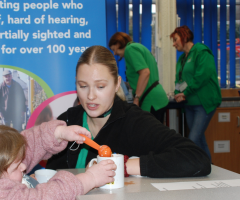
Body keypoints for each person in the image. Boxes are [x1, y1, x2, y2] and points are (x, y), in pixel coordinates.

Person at [46, 45, 211, 178]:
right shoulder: (66, 122)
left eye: (101, 86)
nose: (90, 96)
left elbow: (196, 158)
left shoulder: (134, 121)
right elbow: (51, 174)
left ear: (117, 84)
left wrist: (122, 166)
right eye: (83, 86)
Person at [0, 122, 116, 199]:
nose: (24, 165)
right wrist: (89, 179)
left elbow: (28, 146)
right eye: (17, 166)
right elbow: (46, 197)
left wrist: (60, 133)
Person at [170, 26, 222, 160]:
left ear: (184, 37)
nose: (174, 43)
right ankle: (208, 169)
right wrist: (177, 92)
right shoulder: (182, 59)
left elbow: (201, 76)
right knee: (199, 139)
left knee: (193, 139)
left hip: (203, 103)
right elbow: (179, 80)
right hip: (189, 104)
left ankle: (202, 168)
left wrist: (185, 92)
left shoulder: (201, 51)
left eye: (176, 40)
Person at [108, 32, 169, 123]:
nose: (115, 53)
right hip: (156, 97)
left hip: (151, 99)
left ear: (118, 43)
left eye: (114, 49)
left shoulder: (130, 49)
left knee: (150, 134)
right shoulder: (137, 47)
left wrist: (136, 98)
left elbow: (145, 72)